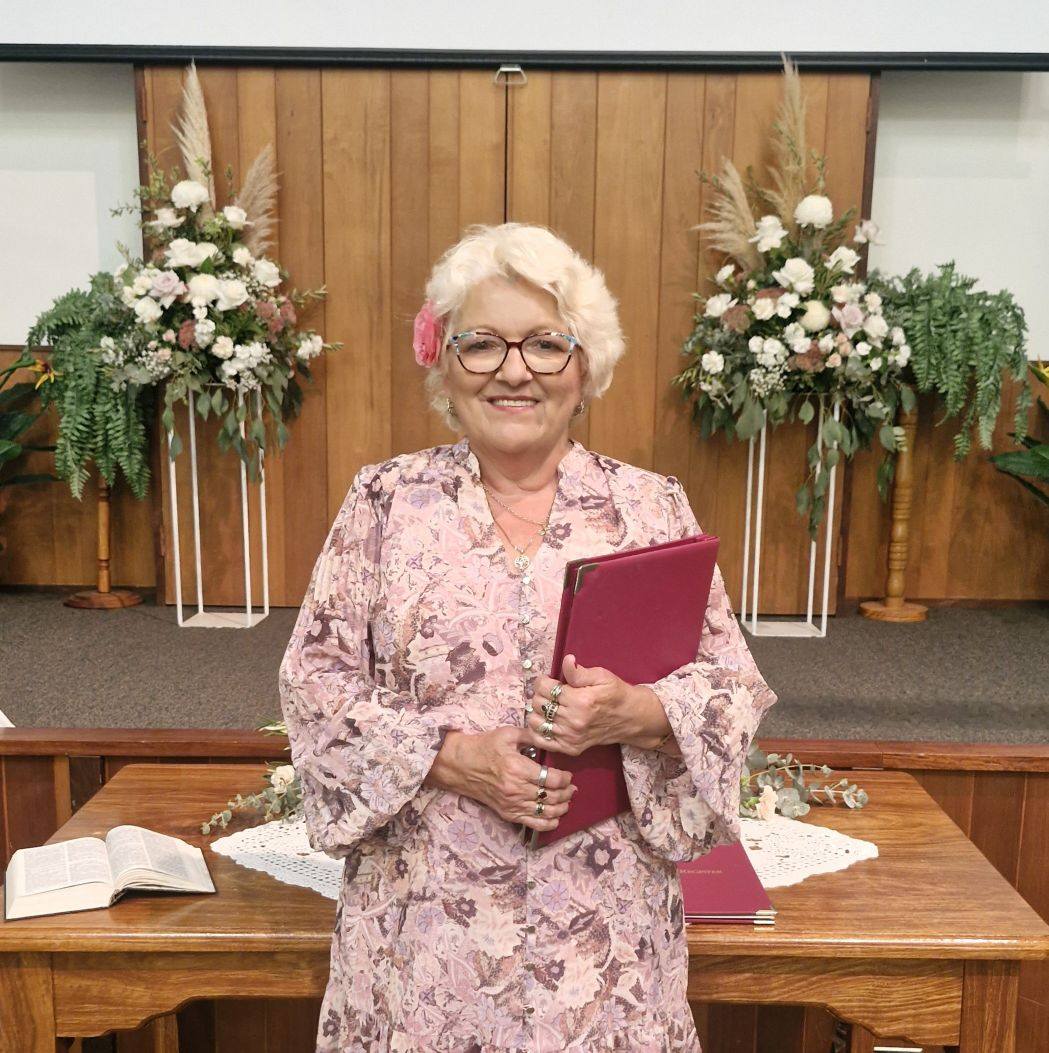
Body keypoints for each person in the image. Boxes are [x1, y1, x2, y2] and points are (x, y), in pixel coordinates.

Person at [278, 222, 778, 1052]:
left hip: (604, 944)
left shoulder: (649, 508)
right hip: (424, 940)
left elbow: (729, 687)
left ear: (585, 368)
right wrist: (451, 756)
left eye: (545, 344)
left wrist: (637, 711)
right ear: (443, 363)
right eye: (481, 343)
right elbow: (314, 681)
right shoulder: (385, 502)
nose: (513, 370)